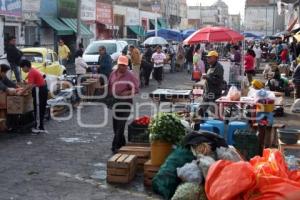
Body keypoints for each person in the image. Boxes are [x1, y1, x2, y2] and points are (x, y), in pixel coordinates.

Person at [108, 55, 139, 153]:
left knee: (121, 126)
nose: (123, 67)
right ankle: (122, 144)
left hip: (126, 103)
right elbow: (109, 86)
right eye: (121, 65)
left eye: (125, 65)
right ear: (118, 65)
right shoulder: (113, 74)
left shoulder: (130, 75)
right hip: (115, 103)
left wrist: (127, 92)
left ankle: (115, 146)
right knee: (115, 126)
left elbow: (136, 89)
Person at [20, 59, 48, 133]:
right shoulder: (33, 70)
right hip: (41, 89)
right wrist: (28, 89)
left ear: (26, 66)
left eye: (22, 68)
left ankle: (38, 127)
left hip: (40, 91)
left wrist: (22, 91)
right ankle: (40, 126)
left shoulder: (31, 72)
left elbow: (30, 85)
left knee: (38, 109)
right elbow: (32, 84)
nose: (22, 70)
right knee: (40, 109)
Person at [199, 51, 224, 117]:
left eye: (209, 57)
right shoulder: (211, 66)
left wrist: (207, 77)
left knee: (212, 114)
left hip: (214, 94)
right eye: (207, 57)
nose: (208, 59)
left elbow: (217, 81)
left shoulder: (218, 67)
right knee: (200, 110)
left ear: (215, 58)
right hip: (208, 93)